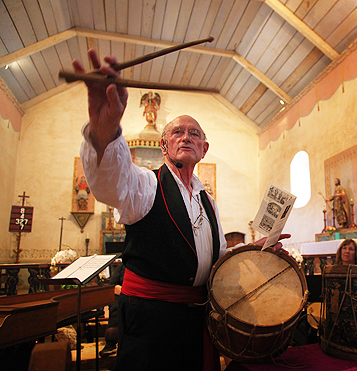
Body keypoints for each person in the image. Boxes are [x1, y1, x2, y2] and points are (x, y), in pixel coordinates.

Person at [73, 50, 289, 371]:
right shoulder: (146, 185)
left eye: (194, 133)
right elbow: (110, 183)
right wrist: (105, 128)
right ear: (164, 147)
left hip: (196, 319)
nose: (185, 136)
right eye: (177, 132)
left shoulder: (208, 201)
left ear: (203, 149)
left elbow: (215, 258)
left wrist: (251, 250)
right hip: (151, 323)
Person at [99, 263, 125, 357]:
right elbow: (112, 286)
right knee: (116, 303)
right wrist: (116, 288)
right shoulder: (123, 266)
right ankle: (111, 342)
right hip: (124, 295)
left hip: (140, 295)